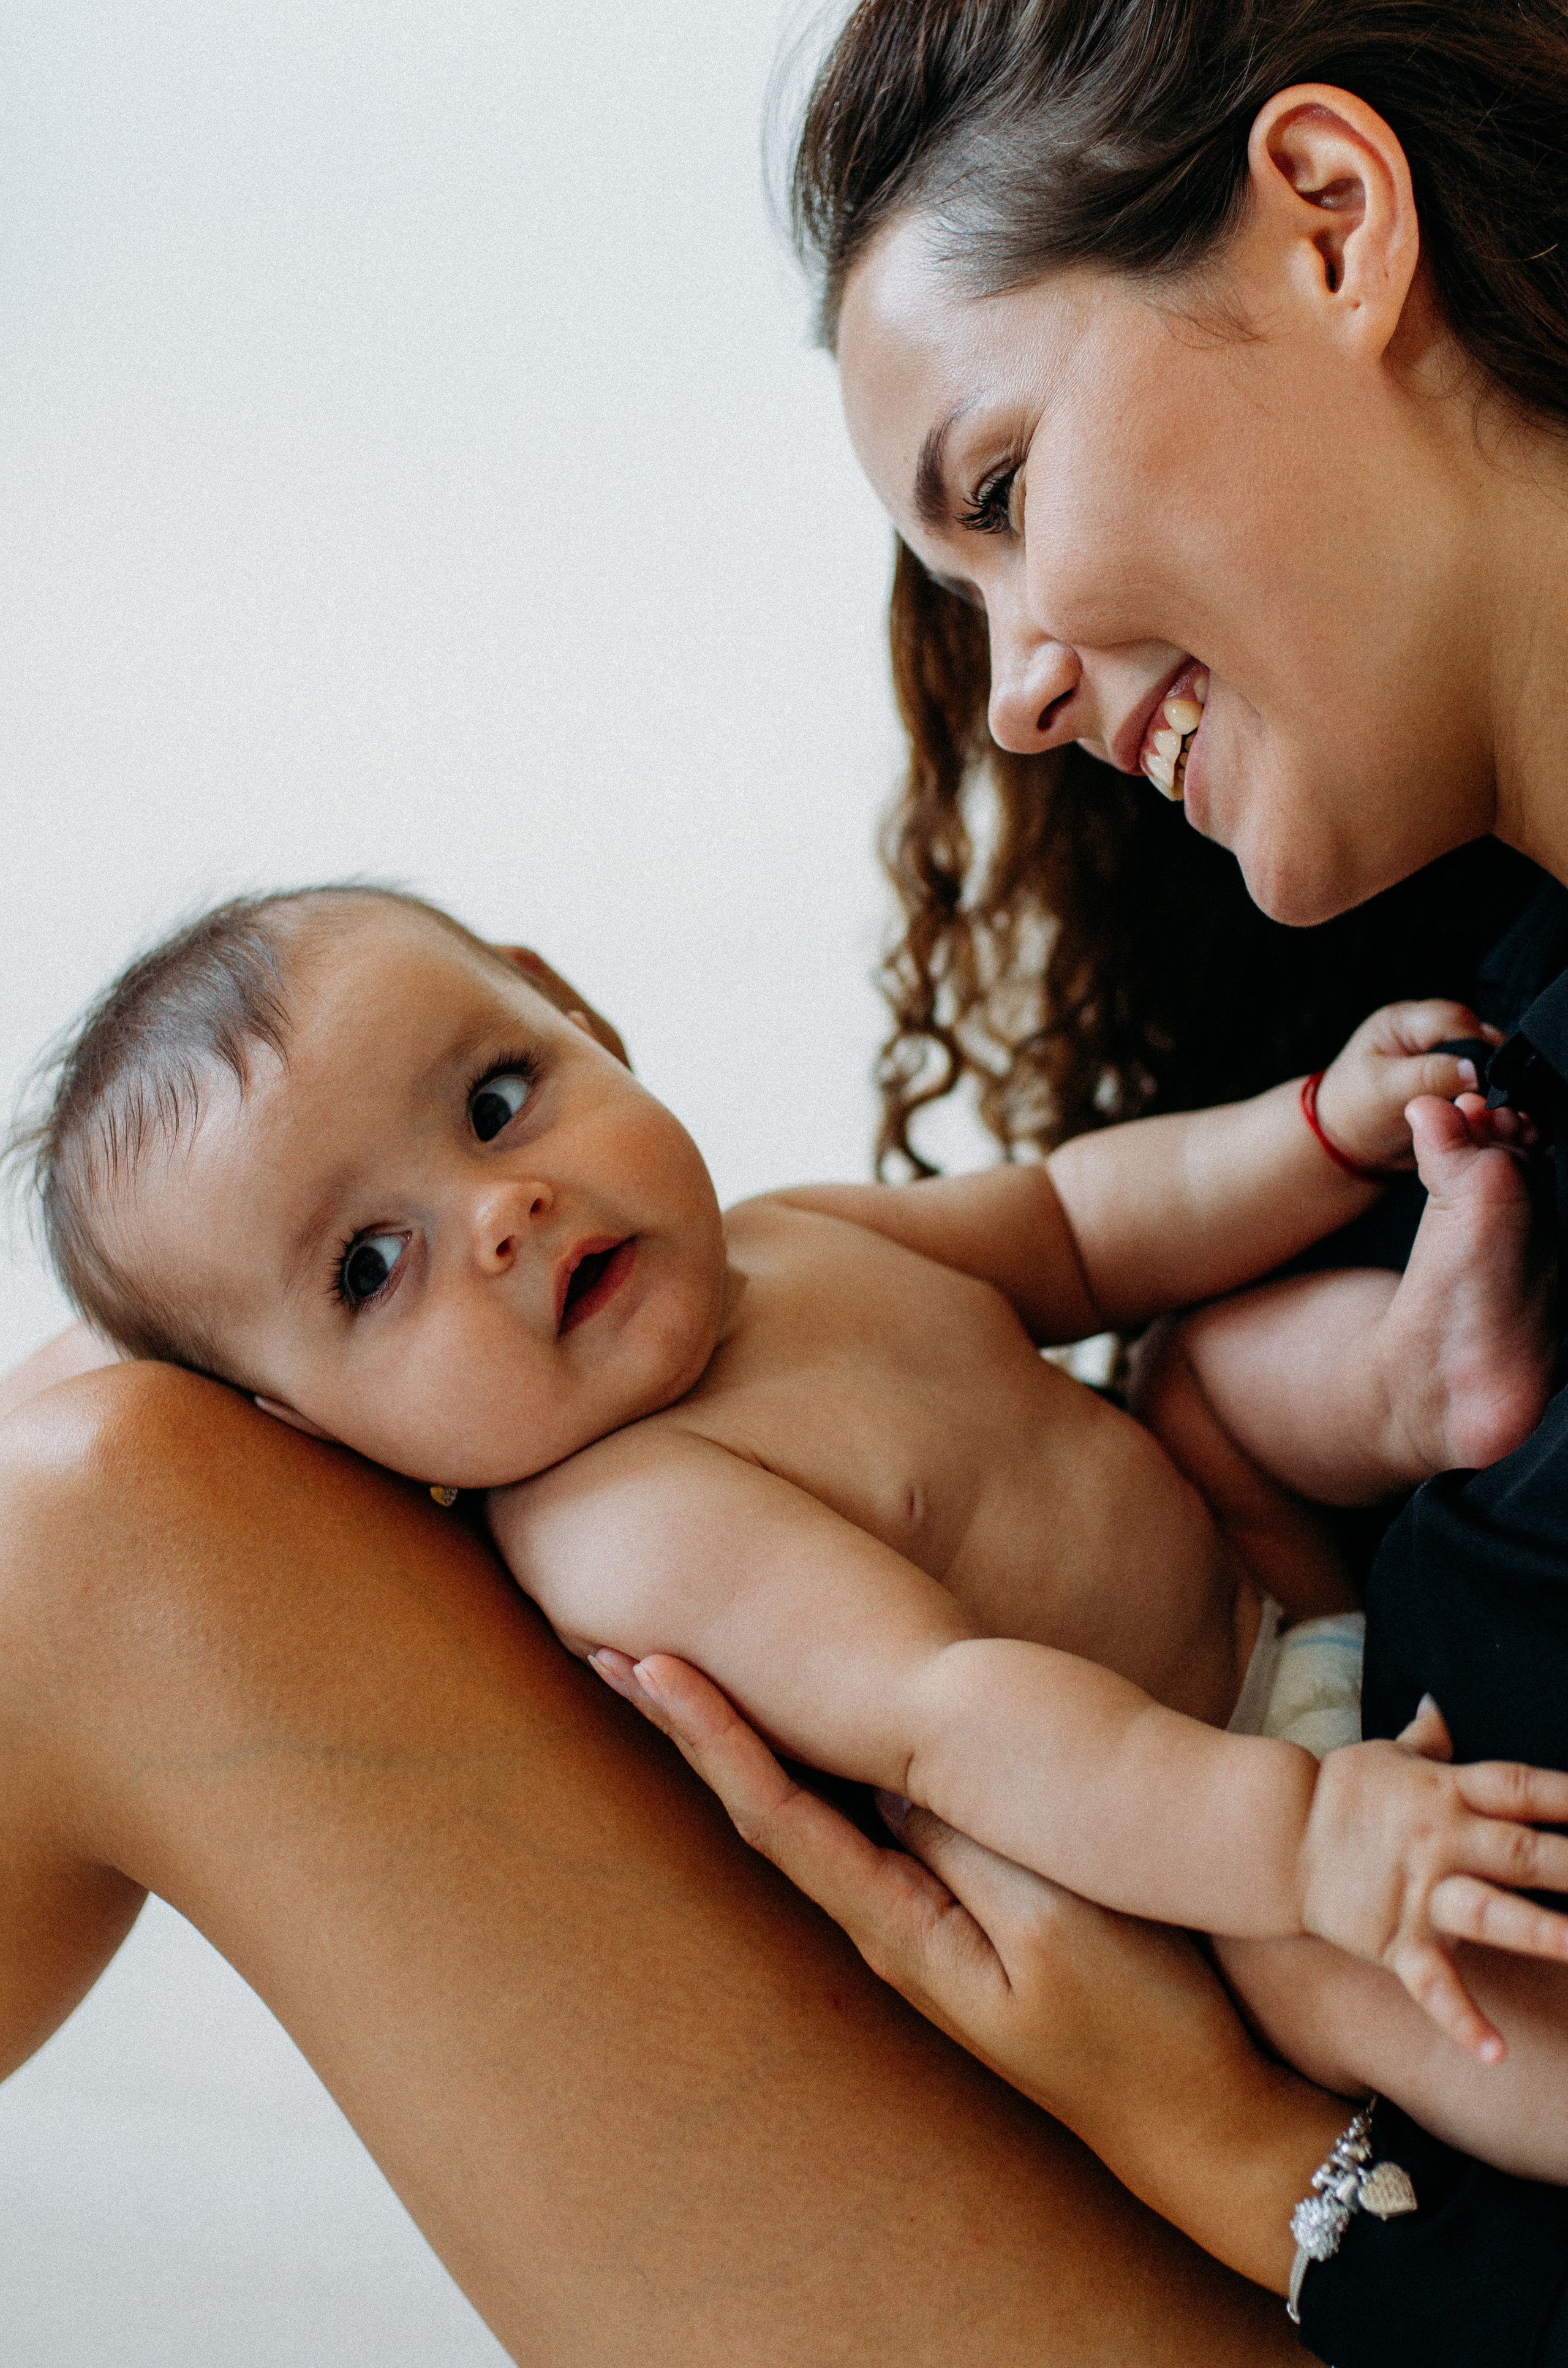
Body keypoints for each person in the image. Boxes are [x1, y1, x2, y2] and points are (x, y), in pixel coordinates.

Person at [608, 2, 1568, 2362]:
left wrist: (1238, 2155)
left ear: (1335, 224)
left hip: (1375, 2235)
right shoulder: (1491, 1038)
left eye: (1004, 487)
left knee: (121, 1521)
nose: (1016, 691)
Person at [21, 881, 1568, 2162]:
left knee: (1196, 1371)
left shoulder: (788, 1241)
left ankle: (1419, 1380)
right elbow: (952, 1718)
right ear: (307, 1430)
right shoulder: (627, 1525)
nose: (499, 1212)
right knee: (1351, 1991)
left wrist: (1309, 1130)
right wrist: (1300, 1841)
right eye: (367, 1267)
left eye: (496, 1100)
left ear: (574, 1009)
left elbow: (1077, 1226)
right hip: (1200, 1841)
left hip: (1258, 1583)